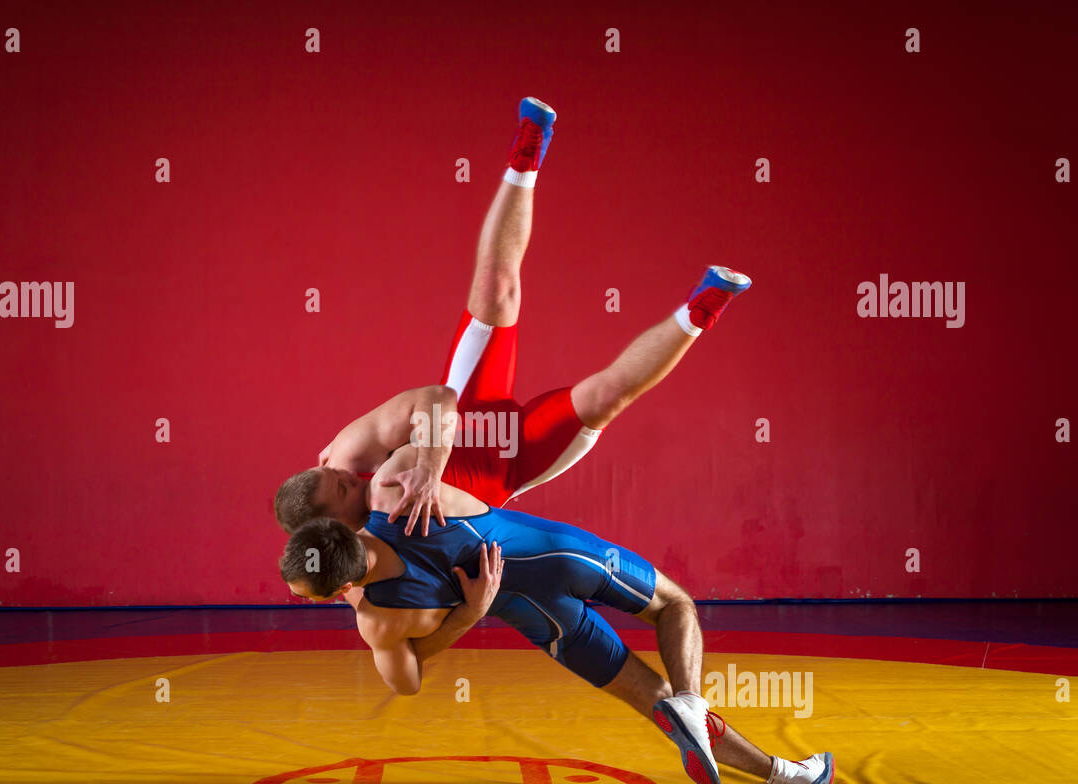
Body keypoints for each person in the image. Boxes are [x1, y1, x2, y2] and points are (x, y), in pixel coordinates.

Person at [275, 96, 751, 536]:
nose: (344, 476)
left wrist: (429, 469)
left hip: (470, 409)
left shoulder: (349, 453)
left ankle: (526, 155)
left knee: (495, 290)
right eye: (341, 488)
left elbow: (438, 397)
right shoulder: (354, 546)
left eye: (333, 474)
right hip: (514, 465)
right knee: (607, 395)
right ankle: (703, 308)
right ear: (333, 526)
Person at [279, 444, 835, 784]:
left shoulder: (378, 620)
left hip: (546, 622)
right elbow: (437, 401)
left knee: (650, 698)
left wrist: (469, 613)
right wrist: (428, 461)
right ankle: (703, 710)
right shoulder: (399, 485)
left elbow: (407, 682)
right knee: (675, 606)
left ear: (340, 587)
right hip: (561, 556)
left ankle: (787, 774)